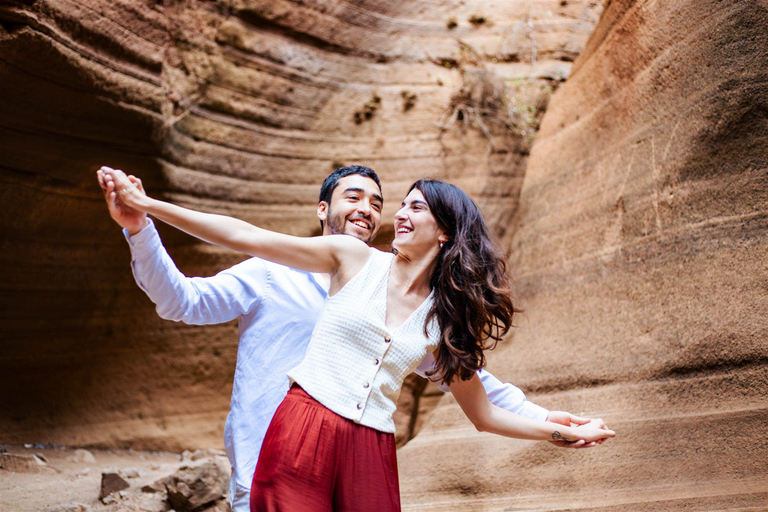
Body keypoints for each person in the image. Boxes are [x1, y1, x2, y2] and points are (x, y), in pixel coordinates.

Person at [98, 166, 614, 512]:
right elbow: (214, 265)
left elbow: (480, 399)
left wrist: (550, 424)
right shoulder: (321, 264)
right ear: (324, 210)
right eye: (357, 197)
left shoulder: (436, 320)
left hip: (369, 445)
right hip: (287, 435)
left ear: (444, 233)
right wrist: (145, 216)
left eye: (392, 204)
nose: (384, 212)